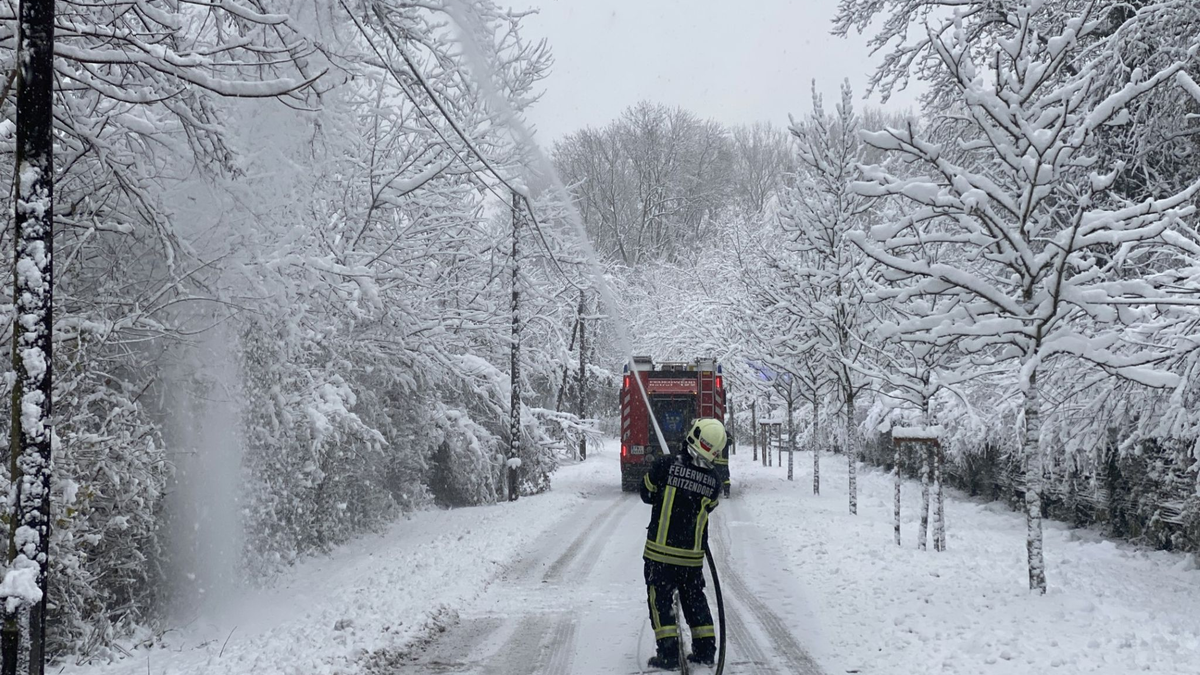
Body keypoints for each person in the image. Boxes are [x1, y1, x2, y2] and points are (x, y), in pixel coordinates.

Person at [639, 418, 725, 670]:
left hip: (660, 555)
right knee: (694, 598)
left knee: (661, 601)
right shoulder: (714, 481)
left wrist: (665, 477)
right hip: (692, 557)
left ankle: (668, 654)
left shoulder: (665, 465)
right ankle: (706, 649)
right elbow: (706, 506)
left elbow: (646, 493)